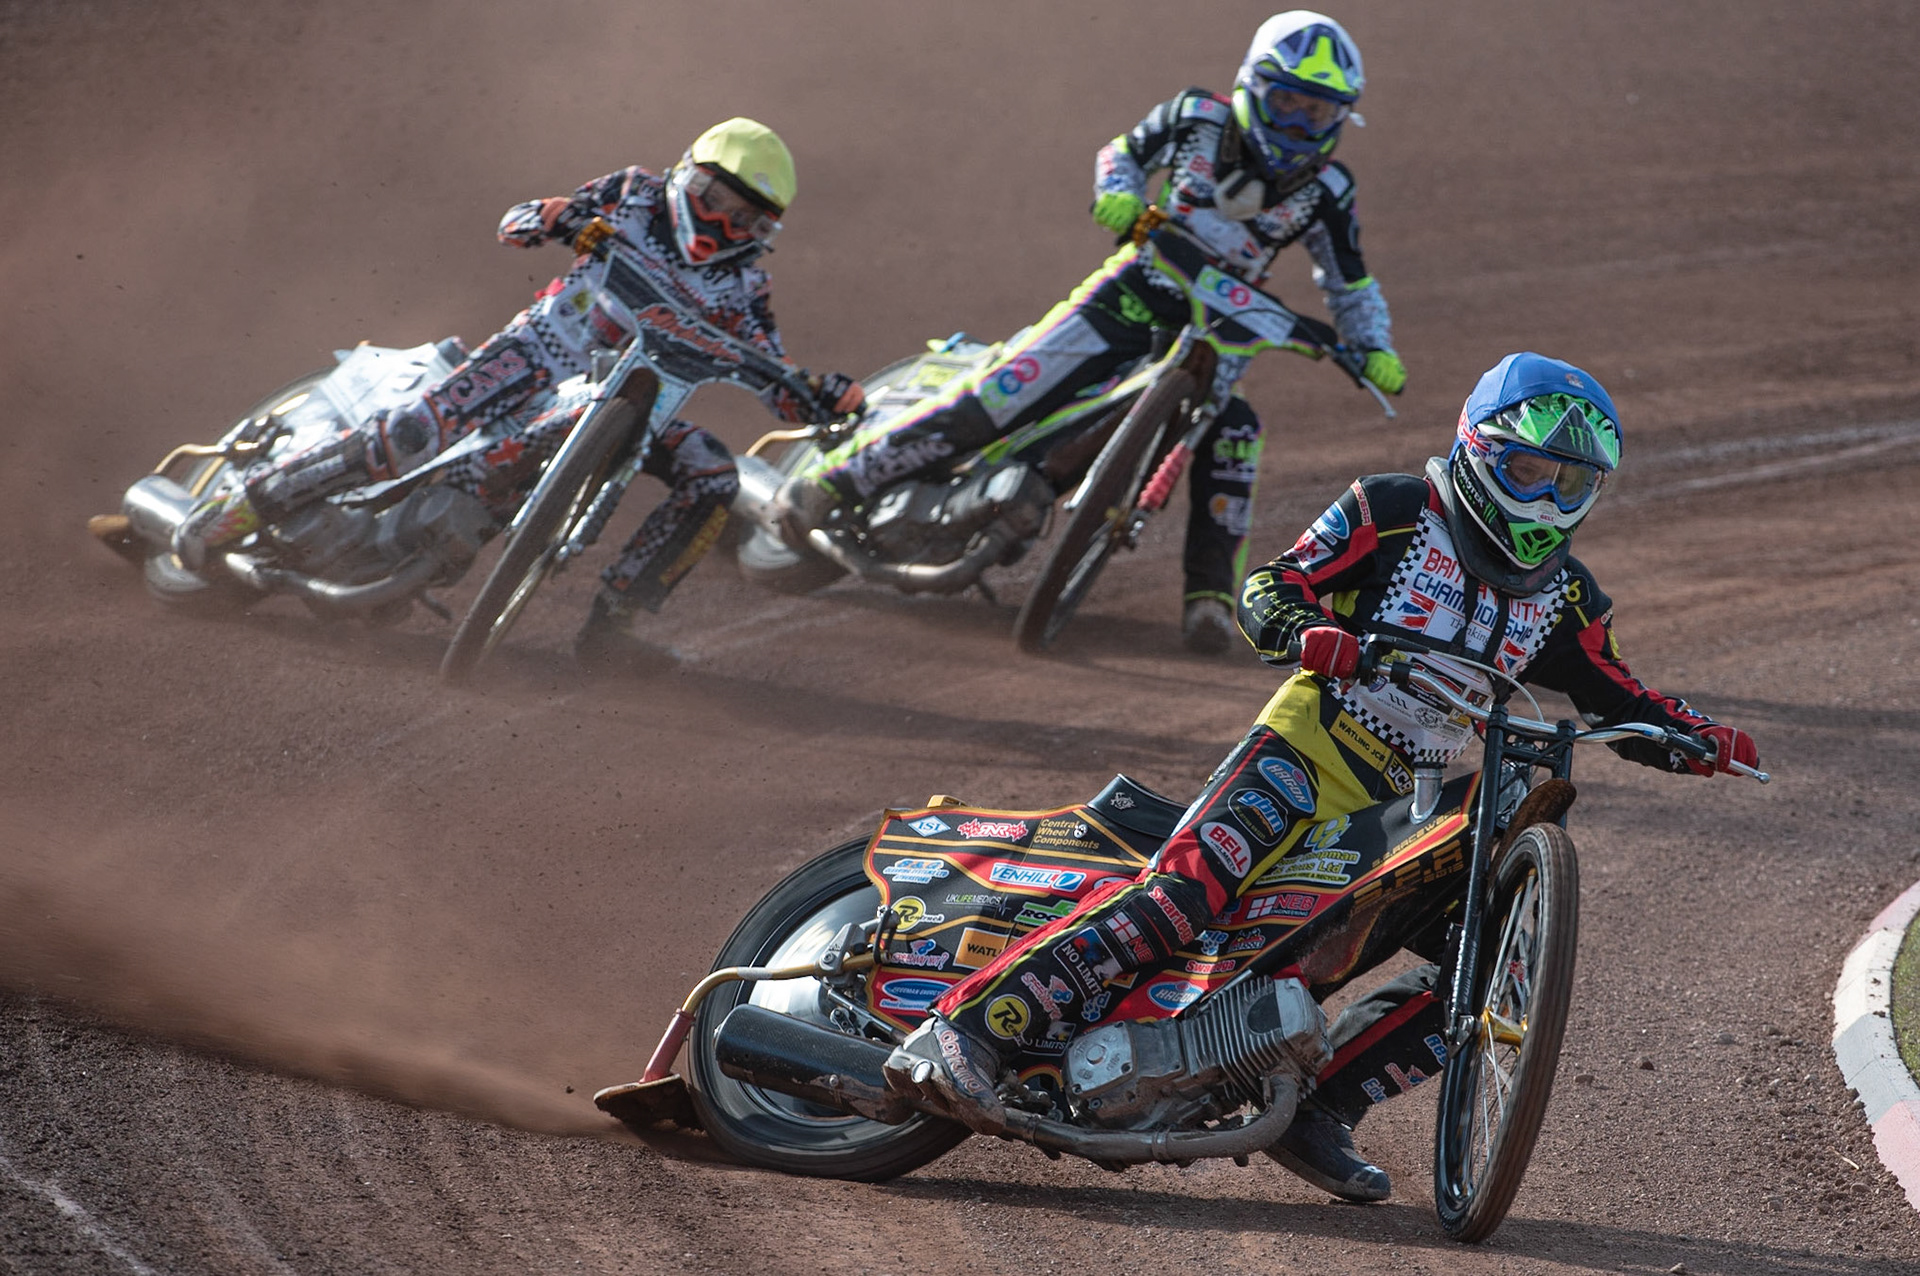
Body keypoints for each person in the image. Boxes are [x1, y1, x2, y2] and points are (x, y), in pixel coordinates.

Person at [882, 352, 1760, 1201]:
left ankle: (1322, 1106)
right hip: (1305, 751)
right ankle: (967, 1028)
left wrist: (1696, 736)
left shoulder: (1570, 596)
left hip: (1401, 805)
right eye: (1531, 470)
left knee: (1481, 958)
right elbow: (1270, 587)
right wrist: (1308, 631)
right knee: (1186, 895)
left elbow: (1621, 694)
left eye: (1571, 484)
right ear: (1480, 450)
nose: (1547, 499)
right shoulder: (1393, 510)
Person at [774, 11, 1405, 653]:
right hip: (1129, 293)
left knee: (1234, 431)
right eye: (1288, 103)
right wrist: (1118, 193)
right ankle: (835, 484)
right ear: (1251, 86)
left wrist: (1373, 344)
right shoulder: (1196, 116)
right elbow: (1124, 155)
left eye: (1318, 115)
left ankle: (1212, 601)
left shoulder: (1329, 188)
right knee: (1004, 393)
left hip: (1218, 330)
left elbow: (1348, 281)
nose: (1299, 125)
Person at [173, 118, 864, 669]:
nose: (723, 226)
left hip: (640, 410)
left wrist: (821, 395)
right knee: (412, 433)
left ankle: (614, 628)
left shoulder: (746, 287)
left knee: (712, 473)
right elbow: (517, 222)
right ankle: (243, 506)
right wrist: (552, 218)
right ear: (689, 177)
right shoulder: (633, 195)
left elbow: (773, 370)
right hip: (535, 356)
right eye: (716, 202)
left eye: (746, 220)